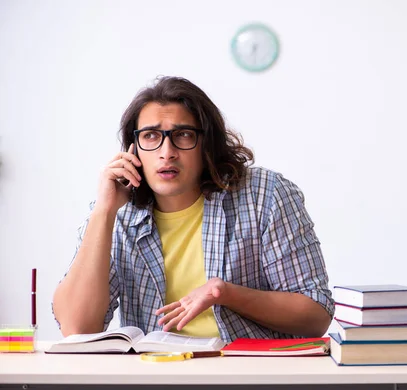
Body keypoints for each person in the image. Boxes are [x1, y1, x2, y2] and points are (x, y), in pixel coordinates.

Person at [52, 76, 334, 342]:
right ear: (133, 149)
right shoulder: (116, 214)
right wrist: (103, 212)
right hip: (155, 380)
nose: (166, 152)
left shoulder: (265, 194)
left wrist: (224, 293)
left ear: (207, 144)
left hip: (249, 380)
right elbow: (78, 330)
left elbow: (315, 315)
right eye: (151, 136)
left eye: (183, 135)